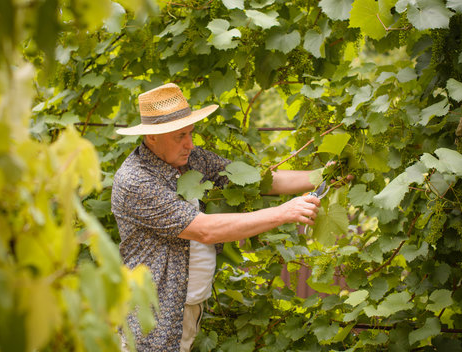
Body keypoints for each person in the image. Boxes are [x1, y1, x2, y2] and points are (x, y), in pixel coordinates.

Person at [111, 83, 325, 352]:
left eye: (190, 132)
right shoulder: (136, 181)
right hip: (153, 315)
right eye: (180, 136)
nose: (190, 143)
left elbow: (256, 181)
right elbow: (204, 230)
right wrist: (284, 212)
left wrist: (322, 175)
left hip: (187, 308)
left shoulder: (191, 159)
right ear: (152, 137)